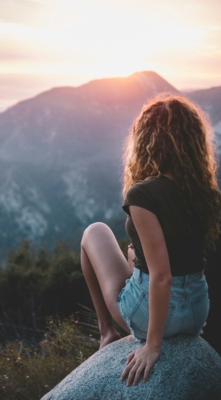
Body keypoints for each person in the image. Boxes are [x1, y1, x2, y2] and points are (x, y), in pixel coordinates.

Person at [80, 94, 221, 387]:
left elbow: (162, 277)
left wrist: (152, 346)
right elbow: (181, 257)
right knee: (134, 255)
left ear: (147, 141)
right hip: (196, 312)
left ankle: (106, 331)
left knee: (94, 232)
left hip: (155, 316)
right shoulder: (206, 193)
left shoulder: (142, 195)